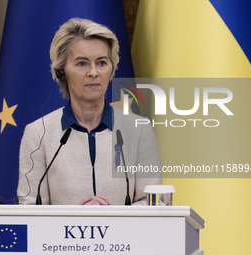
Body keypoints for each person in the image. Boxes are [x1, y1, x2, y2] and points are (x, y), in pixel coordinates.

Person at [17, 18, 162, 206]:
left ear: (111, 69)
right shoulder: (38, 134)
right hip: (58, 236)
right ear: (62, 71)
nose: (94, 72)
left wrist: (113, 218)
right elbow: (30, 210)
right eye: (82, 63)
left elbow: (153, 202)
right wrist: (77, 221)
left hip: (125, 235)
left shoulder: (139, 130)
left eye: (101, 62)